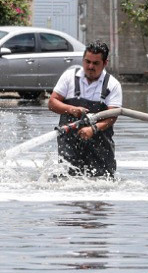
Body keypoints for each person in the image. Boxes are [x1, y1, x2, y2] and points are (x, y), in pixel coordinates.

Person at [48, 41, 123, 177]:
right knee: (68, 179)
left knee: (101, 182)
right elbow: (52, 102)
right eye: (87, 61)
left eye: (95, 63)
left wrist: (92, 129)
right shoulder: (69, 77)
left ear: (105, 63)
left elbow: (112, 116)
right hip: (69, 143)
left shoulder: (113, 85)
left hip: (100, 148)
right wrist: (71, 109)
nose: (90, 66)